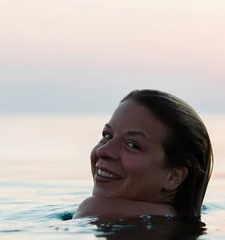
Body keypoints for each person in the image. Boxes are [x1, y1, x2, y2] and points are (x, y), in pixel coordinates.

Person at [73, 89, 213, 219]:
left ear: (173, 177)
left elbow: (90, 210)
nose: (102, 151)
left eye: (132, 145)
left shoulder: (93, 210)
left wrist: (95, 208)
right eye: (108, 135)